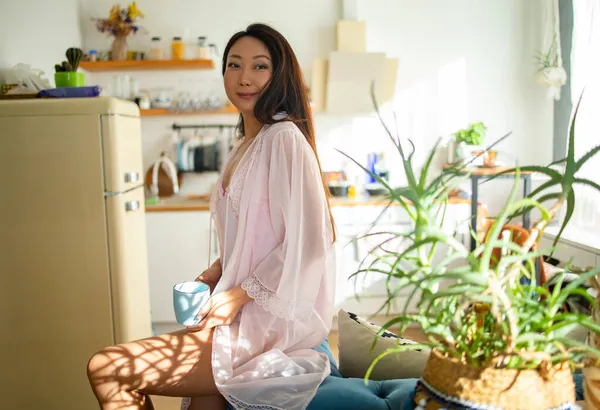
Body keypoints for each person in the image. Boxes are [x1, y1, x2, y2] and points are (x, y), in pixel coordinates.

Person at [87, 23, 337, 410]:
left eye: (259, 66)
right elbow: (258, 237)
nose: (244, 78)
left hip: (269, 322)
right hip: (237, 310)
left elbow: (310, 243)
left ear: (279, 74)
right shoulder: (245, 145)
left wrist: (238, 295)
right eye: (234, 65)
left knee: (106, 368)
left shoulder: (284, 139)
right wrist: (219, 270)